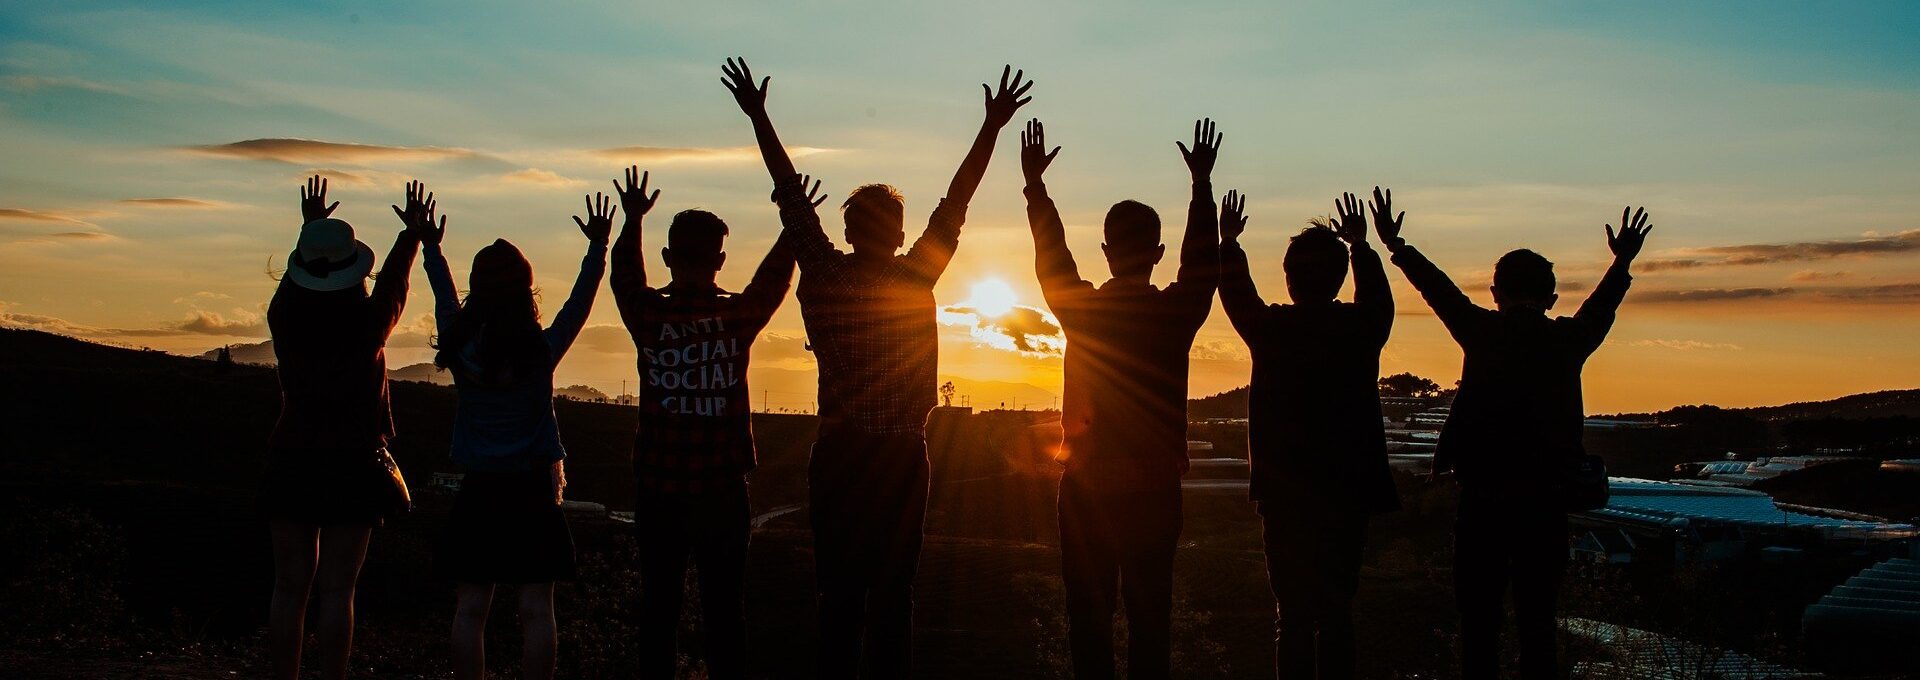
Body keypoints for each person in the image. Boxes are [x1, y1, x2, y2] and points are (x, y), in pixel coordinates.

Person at [721, 56, 1032, 677]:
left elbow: (789, 196)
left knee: (838, 599)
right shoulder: (915, 276)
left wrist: (759, 117)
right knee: (894, 599)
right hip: (898, 458)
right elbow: (957, 201)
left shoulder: (826, 273)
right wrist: (992, 127)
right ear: (897, 231)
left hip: (837, 456)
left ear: (847, 226)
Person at [1381, 197, 1653, 679]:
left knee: (1479, 627)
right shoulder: (1568, 340)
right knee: (1538, 626)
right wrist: (1622, 262)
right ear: (1551, 298)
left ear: (1495, 293)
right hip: (1546, 503)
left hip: (1481, 501)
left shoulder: (1481, 330)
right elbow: (1601, 306)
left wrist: (1397, 247)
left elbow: (1438, 290)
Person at [1019, 117, 1221, 679]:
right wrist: (1200, 185)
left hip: (1085, 488)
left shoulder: (1082, 312)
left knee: (1089, 620)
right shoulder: (1174, 314)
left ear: (1105, 251)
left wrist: (1036, 187)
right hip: (1155, 490)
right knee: (1150, 620)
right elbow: (1203, 266)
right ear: (1157, 252)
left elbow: (1051, 256)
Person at [606, 162, 799, 679]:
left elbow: (623, 275)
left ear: (668, 258)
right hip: (722, 492)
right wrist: (792, 225)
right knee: (724, 615)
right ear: (720, 260)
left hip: (658, 489)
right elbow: (773, 281)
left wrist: (632, 219)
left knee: (658, 610)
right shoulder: (737, 318)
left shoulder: (649, 316)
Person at [424, 190, 613, 680]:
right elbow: (579, 304)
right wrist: (598, 247)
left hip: (479, 487)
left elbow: (444, 298)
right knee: (536, 610)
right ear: (526, 293)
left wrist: (431, 246)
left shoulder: (460, 346)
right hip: (533, 489)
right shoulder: (540, 350)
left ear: (477, 290)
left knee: (470, 611)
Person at [1217, 190, 1400, 679]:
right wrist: (1362, 246)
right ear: (1340, 278)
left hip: (1285, 495)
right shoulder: (1362, 327)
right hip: (1348, 492)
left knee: (1292, 617)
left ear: (1289, 277)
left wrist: (1229, 242)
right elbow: (1379, 299)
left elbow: (1236, 293)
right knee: (1337, 611)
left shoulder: (1271, 328)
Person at [261, 175, 425, 680]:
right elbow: (395, 285)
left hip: (292, 456)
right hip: (354, 463)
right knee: (338, 590)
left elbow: (301, 282)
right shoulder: (367, 324)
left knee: (289, 588)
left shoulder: (283, 315)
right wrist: (411, 234)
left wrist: (311, 231)